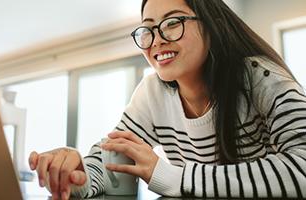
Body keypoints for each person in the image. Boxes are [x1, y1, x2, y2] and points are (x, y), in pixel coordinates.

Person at [29, 0, 306, 199]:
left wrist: (172, 177)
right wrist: (80, 175)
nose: (157, 40)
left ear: (212, 26)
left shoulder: (259, 76)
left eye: (173, 23)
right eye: (148, 29)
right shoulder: (152, 92)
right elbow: (113, 158)